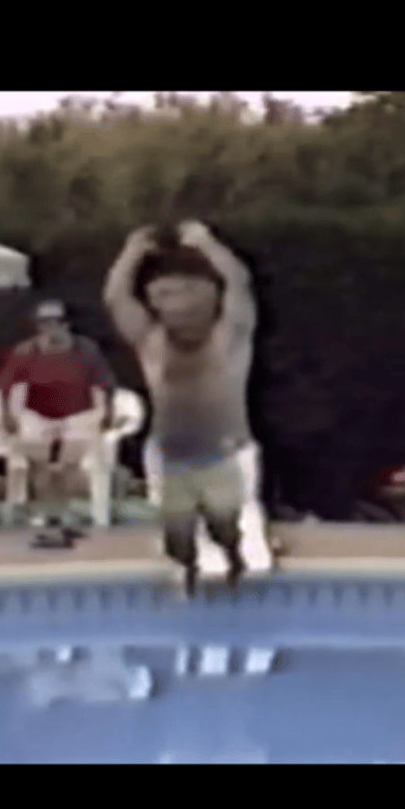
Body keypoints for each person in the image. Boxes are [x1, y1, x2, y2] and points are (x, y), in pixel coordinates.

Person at [103, 221, 255, 594]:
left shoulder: (229, 336)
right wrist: (132, 252)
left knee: (223, 525)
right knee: (177, 537)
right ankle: (188, 571)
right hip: (170, 456)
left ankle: (233, 555)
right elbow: (116, 298)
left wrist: (207, 243)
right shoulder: (152, 340)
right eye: (167, 298)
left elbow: (239, 283)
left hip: (223, 453)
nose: (180, 309)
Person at [0, 301, 117, 545]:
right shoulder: (26, 351)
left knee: (70, 465)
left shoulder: (85, 349)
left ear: (66, 324)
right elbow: (6, 384)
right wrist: (7, 414)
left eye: (56, 322)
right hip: (38, 412)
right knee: (38, 462)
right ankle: (47, 513)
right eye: (44, 323)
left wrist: (108, 412)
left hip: (77, 411)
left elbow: (105, 382)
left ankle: (66, 513)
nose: (51, 328)